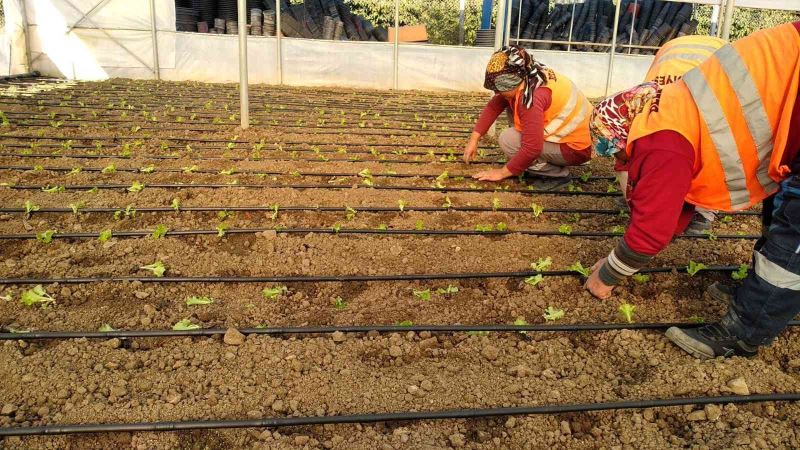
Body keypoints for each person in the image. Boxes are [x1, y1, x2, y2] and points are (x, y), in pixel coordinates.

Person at [585, 21, 800, 359]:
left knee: (794, 232)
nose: (622, 162)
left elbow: (651, 231)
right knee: (781, 210)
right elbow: (673, 214)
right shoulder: (665, 107)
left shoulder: (660, 141)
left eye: (618, 152)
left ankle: (746, 331)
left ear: (622, 134)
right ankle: (760, 294)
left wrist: (607, 275)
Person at [615, 35, 727, 233]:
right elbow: (625, 162)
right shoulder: (641, 111)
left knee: (717, 150)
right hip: (672, 55)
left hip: (717, 64)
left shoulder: (706, 108)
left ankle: (704, 210)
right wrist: (636, 204)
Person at [463, 46, 592, 184]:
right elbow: (494, 105)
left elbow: (532, 148)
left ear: (511, 81)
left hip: (576, 148)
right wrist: (474, 139)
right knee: (509, 103)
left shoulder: (531, 98)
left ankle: (556, 175)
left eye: (499, 88)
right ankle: (539, 160)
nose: (496, 92)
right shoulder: (531, 75)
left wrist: (502, 173)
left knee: (508, 140)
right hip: (581, 139)